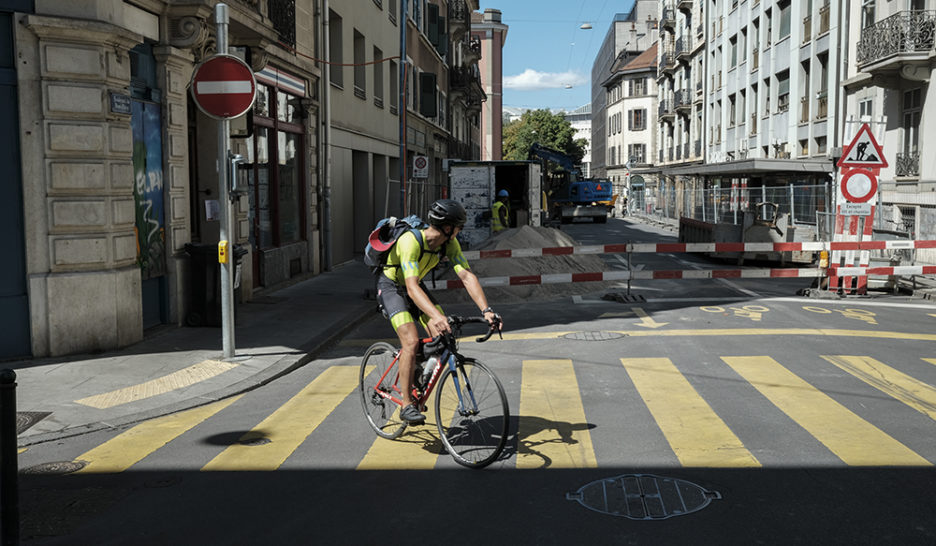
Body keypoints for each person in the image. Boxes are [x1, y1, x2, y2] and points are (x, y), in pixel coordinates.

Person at [375, 199, 502, 424]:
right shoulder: (410, 242)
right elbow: (411, 287)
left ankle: (415, 369)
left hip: (414, 286)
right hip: (392, 286)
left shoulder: (448, 244)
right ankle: (406, 404)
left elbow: (466, 275)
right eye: (459, 226)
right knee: (411, 341)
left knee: (445, 335)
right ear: (447, 227)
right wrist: (436, 315)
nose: (460, 231)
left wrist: (486, 310)